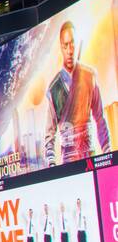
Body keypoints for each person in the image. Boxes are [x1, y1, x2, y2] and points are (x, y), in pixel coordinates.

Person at [45, 18, 110, 166]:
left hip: (92, 158)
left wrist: (107, 154)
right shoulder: (53, 88)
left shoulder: (89, 75)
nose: (70, 50)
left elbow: (100, 119)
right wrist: (52, 165)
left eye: (72, 43)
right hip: (68, 165)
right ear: (61, 47)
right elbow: (49, 135)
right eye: (66, 45)